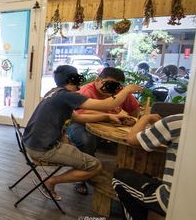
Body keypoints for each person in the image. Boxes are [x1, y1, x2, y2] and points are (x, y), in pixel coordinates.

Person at [22, 65, 142, 200]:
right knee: (95, 166)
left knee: (84, 153)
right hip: (43, 149)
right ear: (71, 80)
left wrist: (107, 116)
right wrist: (126, 90)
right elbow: (108, 105)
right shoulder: (68, 96)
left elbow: (77, 117)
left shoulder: (55, 92)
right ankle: (50, 181)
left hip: (30, 142)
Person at [111, 114, 183, 220]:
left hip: (173, 200)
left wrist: (146, 117)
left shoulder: (177, 122)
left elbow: (131, 139)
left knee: (120, 177)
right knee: (147, 179)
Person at [67, 68, 140, 195]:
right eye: (109, 84)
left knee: (132, 142)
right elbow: (80, 114)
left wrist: (130, 119)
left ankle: (126, 180)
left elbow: (134, 110)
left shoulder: (121, 91)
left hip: (110, 126)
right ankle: (81, 177)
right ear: (97, 80)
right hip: (80, 124)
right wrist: (110, 115)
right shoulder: (86, 91)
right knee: (86, 140)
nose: (112, 88)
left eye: (116, 86)